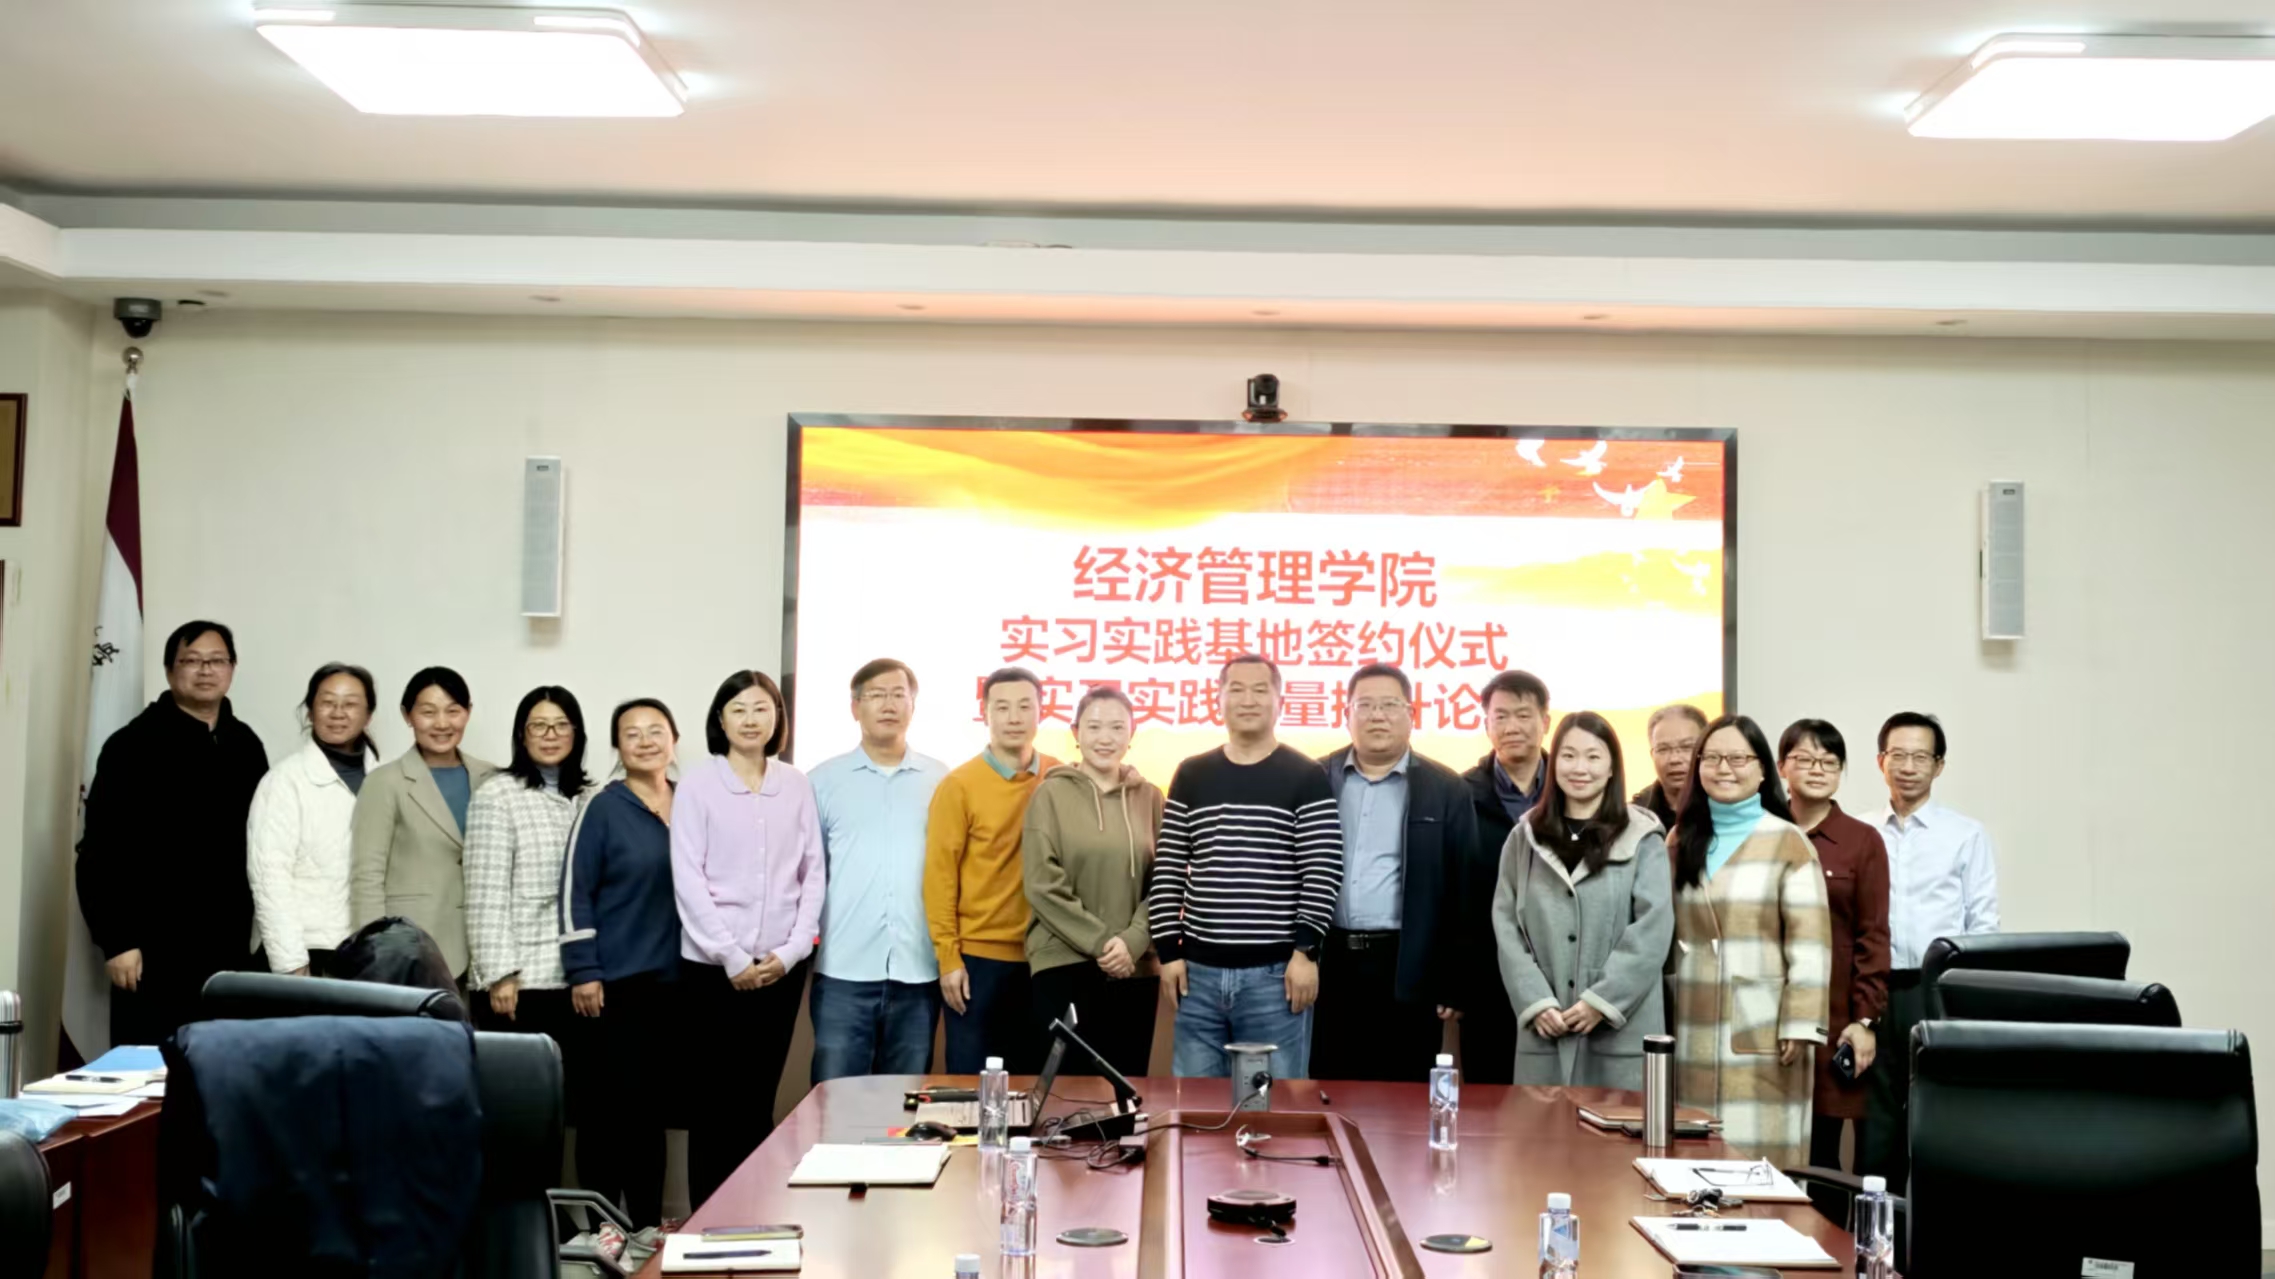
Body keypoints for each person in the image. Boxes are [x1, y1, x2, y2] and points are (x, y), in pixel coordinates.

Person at [1149, 654, 1343, 1082]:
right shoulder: (1192, 774)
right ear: (1218, 700)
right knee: (1196, 1107)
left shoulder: (1305, 775)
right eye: (1236, 689)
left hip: (1275, 977)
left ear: (1280, 701)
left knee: (1269, 1107)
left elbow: (1323, 868)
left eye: (1260, 690)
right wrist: (1168, 952)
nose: (1248, 700)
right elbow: (1169, 868)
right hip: (1197, 975)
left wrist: (1306, 952)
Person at [78, 620, 270, 1046]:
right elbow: (100, 852)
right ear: (169, 670)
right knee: (151, 1069)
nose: (205, 670)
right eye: (191, 660)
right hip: (152, 950)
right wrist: (117, 941)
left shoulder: (246, 745)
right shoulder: (131, 745)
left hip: (229, 947)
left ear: (232, 668)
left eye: (217, 660)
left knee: (223, 1064)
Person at [673, 670, 824, 1208]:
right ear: (721, 719)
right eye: (738, 709)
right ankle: (707, 1220)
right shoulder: (697, 784)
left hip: (780, 970)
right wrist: (731, 956)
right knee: (713, 1104)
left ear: (777, 718)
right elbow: (688, 878)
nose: (751, 719)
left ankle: (753, 1214)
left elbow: (813, 874)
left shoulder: (795, 783)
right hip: (712, 971)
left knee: (759, 1099)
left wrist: (791, 952)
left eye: (762, 708)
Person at [1668, 714, 1830, 1169]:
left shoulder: (1787, 841)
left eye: (1738, 758)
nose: (1725, 768)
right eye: (1712, 757)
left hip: (1766, 1024)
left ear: (1763, 769)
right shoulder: (1680, 840)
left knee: (1761, 1158)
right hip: (1692, 1018)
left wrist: (1801, 1022)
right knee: (1694, 1157)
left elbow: (1811, 943)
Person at [1311, 664, 1482, 1082]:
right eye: (1365, 705)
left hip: (1408, 965)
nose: (1377, 716)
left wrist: (1455, 981)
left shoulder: (1446, 789)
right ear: (1346, 714)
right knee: (1328, 1085)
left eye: (1389, 705)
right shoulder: (1316, 779)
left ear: (1411, 714)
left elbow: (1465, 890)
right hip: (1328, 962)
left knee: (1403, 1093)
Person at [1492, 712, 1674, 1088]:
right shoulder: (1524, 837)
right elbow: (1506, 925)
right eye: (1568, 755)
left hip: (1620, 1029)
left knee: (1615, 1124)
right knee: (1541, 1124)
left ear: (1612, 768)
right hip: (1546, 1025)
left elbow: (1653, 929)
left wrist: (1601, 1001)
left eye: (1593, 757)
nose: (1580, 768)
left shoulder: (1642, 837)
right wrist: (1535, 1000)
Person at [1862, 711, 1998, 1188]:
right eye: (1898, 755)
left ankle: (1929, 1226)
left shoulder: (1965, 834)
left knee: (1936, 1112)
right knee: (1876, 1120)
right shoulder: (1862, 832)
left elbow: (1983, 923)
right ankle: (1876, 1228)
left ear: (1939, 765)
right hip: (1875, 989)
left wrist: (1972, 1001)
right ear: (1880, 761)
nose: (1908, 766)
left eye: (1921, 757)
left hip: (1937, 989)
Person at [561, 698, 683, 1228]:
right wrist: (583, 970)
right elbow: (574, 890)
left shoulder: (691, 802)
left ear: (674, 740)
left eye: (656, 731)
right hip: (616, 985)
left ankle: (647, 1230)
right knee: (607, 1116)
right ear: (617, 746)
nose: (645, 741)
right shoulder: (602, 807)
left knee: (651, 1116)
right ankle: (603, 1233)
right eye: (632, 733)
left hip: (676, 986)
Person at [808, 660, 949, 1083]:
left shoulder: (941, 780)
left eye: (898, 695)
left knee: (903, 1104)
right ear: (855, 707)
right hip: (843, 970)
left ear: (913, 706)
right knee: (834, 1100)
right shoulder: (822, 781)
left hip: (918, 969)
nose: (889, 705)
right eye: (876, 695)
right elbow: (807, 871)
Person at [1023, 686, 1164, 1079]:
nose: (1106, 738)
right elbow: (1041, 884)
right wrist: (1103, 943)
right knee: (1065, 1093)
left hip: (1134, 966)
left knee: (1124, 1090)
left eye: (1117, 727)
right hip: (1064, 963)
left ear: (1131, 734)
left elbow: (1165, 880)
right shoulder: (1049, 794)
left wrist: (1133, 941)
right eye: (1095, 726)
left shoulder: (1151, 797)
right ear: (1076, 732)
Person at [924, 667, 1060, 1072]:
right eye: (1002, 707)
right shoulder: (959, 785)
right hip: (978, 961)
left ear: (1041, 711)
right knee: (973, 1084)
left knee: (1036, 1084)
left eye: (1025, 706)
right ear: (984, 713)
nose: (1014, 717)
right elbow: (939, 878)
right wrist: (949, 959)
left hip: (1045, 959)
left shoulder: (1060, 776)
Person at [1777, 718, 1890, 1173]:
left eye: (1830, 761)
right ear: (1781, 767)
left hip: (1833, 1017)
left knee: (1821, 1154)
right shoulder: (1762, 831)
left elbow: (1873, 935)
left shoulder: (1862, 841)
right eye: (1805, 759)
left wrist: (1864, 1020)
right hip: (1767, 1013)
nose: (1817, 769)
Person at [349, 667, 499, 982]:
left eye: (453, 711)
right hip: (412, 949)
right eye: (428, 712)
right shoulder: (384, 782)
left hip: (485, 949)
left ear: (468, 712)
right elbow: (367, 877)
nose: (442, 723)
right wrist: (376, 957)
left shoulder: (492, 779)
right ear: (408, 715)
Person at [465, 686, 591, 1044]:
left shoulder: (588, 797)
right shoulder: (497, 795)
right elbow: (485, 894)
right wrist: (500, 974)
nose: (551, 735)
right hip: (524, 982)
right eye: (539, 726)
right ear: (522, 734)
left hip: (577, 977)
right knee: (524, 1079)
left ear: (576, 734)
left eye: (561, 725)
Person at [248, 662, 381, 977]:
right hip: (307, 950)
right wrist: (291, 963)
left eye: (350, 704)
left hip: (365, 949)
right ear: (310, 711)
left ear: (368, 715)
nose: (338, 713)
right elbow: (269, 877)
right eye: (327, 702)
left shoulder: (385, 778)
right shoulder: (284, 781)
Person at [1458, 669, 1552, 1084]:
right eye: (1501, 716)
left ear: (1545, 721)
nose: (1512, 726)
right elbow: (1452, 890)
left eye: (1523, 715)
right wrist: (1454, 981)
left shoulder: (1575, 790)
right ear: (1486, 724)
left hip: (1558, 971)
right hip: (1485, 973)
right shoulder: (1460, 793)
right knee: (1489, 1095)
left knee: (1556, 1096)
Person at [1634, 703, 1707, 831]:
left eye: (1686, 747)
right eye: (1663, 749)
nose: (1674, 759)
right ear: (1652, 755)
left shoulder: (1726, 808)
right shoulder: (1636, 816)